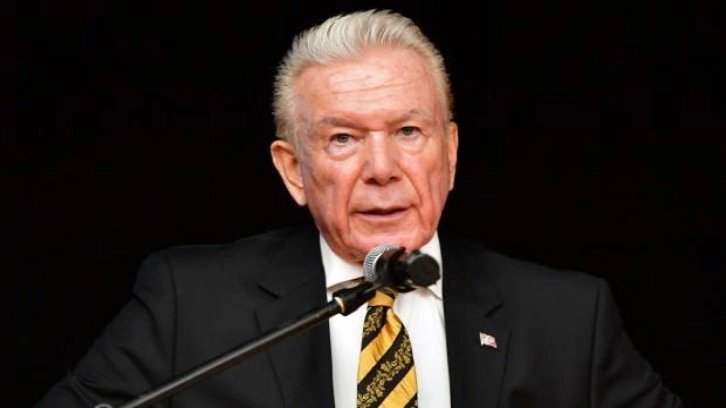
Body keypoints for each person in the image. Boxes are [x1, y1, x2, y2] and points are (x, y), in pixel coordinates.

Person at [35, 9, 683, 408]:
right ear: (293, 169)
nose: (381, 168)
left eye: (409, 132)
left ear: (451, 153)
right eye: (343, 138)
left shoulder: (568, 318)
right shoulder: (190, 304)